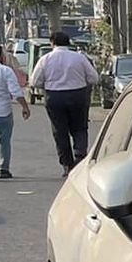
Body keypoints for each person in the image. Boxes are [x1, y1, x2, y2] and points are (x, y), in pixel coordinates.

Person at [31, 31, 100, 175]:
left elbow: (34, 81)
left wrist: (49, 84)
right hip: (77, 95)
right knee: (80, 127)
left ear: (52, 43)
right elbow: (94, 78)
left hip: (54, 97)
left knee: (60, 131)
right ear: (69, 43)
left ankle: (67, 164)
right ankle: (80, 155)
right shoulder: (79, 58)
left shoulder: (46, 59)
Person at [0, 44, 30, 180]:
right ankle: (4, 169)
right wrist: (25, 107)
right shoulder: (6, 71)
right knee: (4, 141)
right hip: (3, 112)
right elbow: (15, 91)